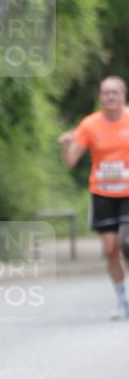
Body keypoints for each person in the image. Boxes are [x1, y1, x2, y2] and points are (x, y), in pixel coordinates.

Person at [59, 75, 129, 319]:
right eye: (105, 93)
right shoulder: (90, 124)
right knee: (111, 249)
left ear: (123, 96)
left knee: (127, 242)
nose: (110, 97)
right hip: (102, 193)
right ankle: (122, 300)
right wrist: (65, 145)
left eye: (115, 93)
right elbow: (70, 162)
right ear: (100, 97)